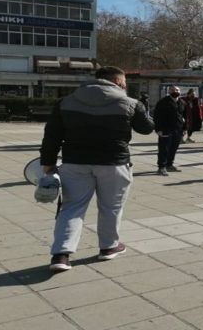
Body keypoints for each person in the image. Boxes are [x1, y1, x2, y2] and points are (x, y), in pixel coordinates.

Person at [40, 66, 154, 271]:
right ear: (119, 82)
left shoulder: (66, 102)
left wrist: (48, 163)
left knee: (72, 207)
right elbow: (146, 128)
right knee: (111, 207)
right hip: (114, 163)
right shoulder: (129, 102)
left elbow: (52, 135)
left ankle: (61, 255)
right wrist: (140, 106)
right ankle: (109, 247)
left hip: (75, 162)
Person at [153, 86, 186, 176]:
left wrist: (184, 128)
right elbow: (157, 116)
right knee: (164, 148)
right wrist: (158, 129)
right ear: (169, 91)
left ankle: (169, 164)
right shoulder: (163, 102)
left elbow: (184, 116)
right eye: (173, 90)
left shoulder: (182, 102)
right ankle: (161, 167)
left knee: (173, 148)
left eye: (177, 90)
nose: (175, 91)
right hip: (165, 129)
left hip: (178, 129)